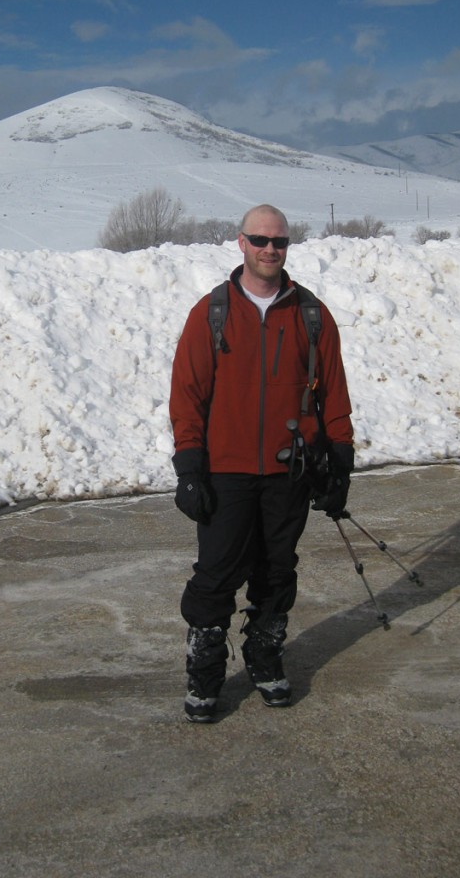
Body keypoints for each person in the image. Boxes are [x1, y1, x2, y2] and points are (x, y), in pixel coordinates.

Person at [169, 204, 354, 722]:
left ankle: (265, 654)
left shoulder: (311, 315)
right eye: (260, 240)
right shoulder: (212, 312)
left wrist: (340, 463)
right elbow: (187, 396)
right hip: (225, 471)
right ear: (242, 243)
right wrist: (189, 469)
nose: (270, 249)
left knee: (277, 569)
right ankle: (205, 672)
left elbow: (334, 395)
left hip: (288, 471)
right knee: (215, 574)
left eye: (280, 241)